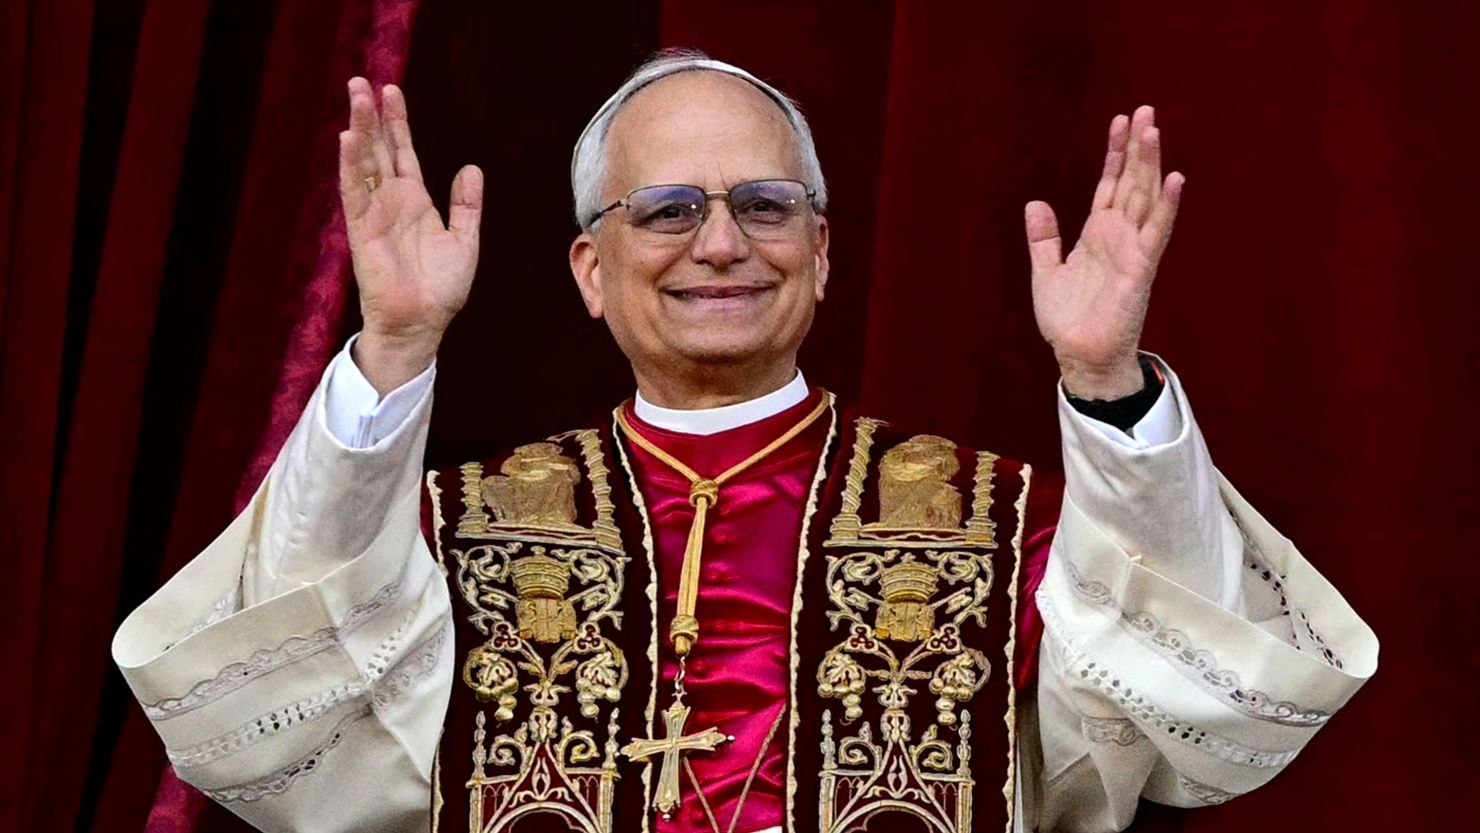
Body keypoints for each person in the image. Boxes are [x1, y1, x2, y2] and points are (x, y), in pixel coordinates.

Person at [112, 51, 1377, 833]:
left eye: (765, 205)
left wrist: (1103, 383)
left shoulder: (1001, 525)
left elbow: (1213, 713)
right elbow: (262, 717)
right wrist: (392, 347)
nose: (721, 243)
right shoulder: (456, 529)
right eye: (667, 209)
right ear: (589, 269)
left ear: (819, 255)